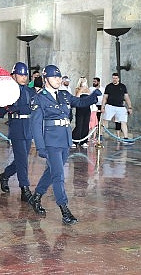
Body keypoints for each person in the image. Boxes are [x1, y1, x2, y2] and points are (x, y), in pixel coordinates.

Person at [29, 64, 100, 224]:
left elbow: (80, 103)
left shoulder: (64, 95)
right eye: (55, 77)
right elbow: (35, 124)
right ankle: (64, 209)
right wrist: (40, 147)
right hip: (51, 142)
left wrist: (94, 95)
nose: (58, 80)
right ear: (46, 78)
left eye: (59, 77)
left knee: (52, 172)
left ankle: (36, 197)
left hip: (65, 140)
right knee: (59, 175)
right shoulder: (39, 98)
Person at [0, 62, 35, 203]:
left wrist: (19, 108)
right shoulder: (8, 91)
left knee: (21, 159)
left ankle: (5, 176)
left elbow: (32, 108)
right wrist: (0, 107)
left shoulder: (31, 91)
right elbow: (1, 111)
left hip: (28, 126)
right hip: (17, 126)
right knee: (22, 159)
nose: (24, 77)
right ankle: (25, 189)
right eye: (21, 74)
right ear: (13, 76)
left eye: (25, 75)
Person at [102, 72, 134, 143]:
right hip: (110, 106)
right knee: (105, 120)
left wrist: (130, 107)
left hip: (120, 107)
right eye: (113, 78)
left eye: (116, 78)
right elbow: (105, 97)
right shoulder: (109, 86)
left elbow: (126, 97)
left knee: (123, 122)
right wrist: (102, 107)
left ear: (118, 79)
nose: (114, 79)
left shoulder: (122, 86)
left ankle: (125, 138)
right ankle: (100, 136)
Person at [72, 77, 92, 148]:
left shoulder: (88, 90)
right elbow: (77, 97)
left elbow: (90, 98)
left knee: (85, 125)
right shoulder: (77, 89)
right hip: (80, 108)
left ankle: (84, 141)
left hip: (87, 108)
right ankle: (74, 140)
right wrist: (81, 90)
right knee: (79, 124)